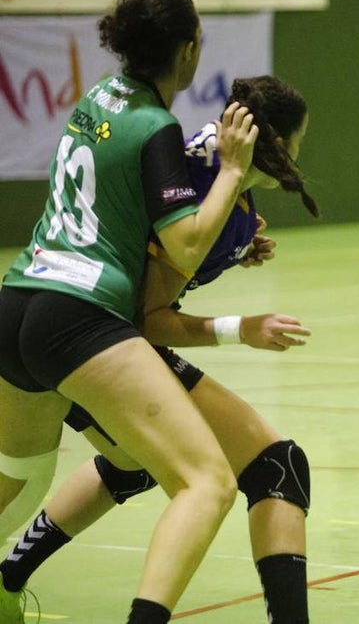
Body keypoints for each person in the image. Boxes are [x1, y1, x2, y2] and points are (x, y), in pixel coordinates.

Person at [0, 77, 317, 623]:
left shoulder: (202, 153)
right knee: (275, 467)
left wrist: (233, 246)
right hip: (90, 335)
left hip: (37, 307)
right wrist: (241, 327)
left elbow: (160, 237)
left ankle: (9, 577)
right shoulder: (225, 195)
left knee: (130, 464)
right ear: (286, 146)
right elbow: (153, 321)